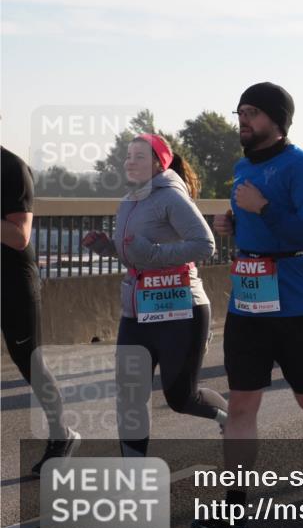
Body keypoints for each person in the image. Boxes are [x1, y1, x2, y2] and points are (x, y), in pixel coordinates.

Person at [191, 82, 303, 528]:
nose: (243, 119)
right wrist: (234, 223)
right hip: (248, 300)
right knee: (242, 403)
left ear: (278, 122)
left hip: (297, 300)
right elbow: (253, 223)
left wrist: (262, 208)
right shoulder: (242, 166)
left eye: (254, 113)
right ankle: (236, 507)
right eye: (241, 111)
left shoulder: (299, 164)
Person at [82, 134, 226, 457]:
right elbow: (136, 254)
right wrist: (108, 247)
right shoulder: (129, 200)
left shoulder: (172, 197)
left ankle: (230, 419)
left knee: (181, 398)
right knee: (131, 397)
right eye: (127, 155)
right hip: (137, 312)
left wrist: (153, 252)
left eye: (138, 156)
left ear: (159, 163)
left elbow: (205, 245)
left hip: (180, 310)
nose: (129, 161)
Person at [2, 146, 79, 476]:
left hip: (12, 282)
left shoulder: (12, 168)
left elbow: (19, 236)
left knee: (29, 361)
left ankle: (62, 434)